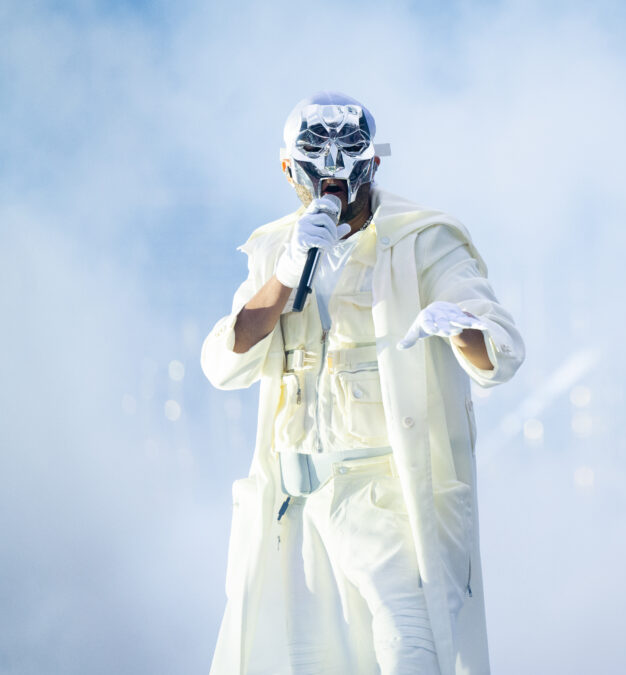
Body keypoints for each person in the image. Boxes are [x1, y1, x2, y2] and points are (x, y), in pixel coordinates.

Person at [200, 90, 525, 675]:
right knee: (299, 659)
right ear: (288, 168)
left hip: (383, 495)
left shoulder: (423, 239)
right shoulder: (276, 246)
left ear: (372, 163)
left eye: (348, 154)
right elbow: (228, 356)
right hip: (293, 499)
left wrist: (460, 328)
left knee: (411, 649)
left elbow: (495, 336)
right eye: (313, 157)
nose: (332, 172)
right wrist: (285, 271)